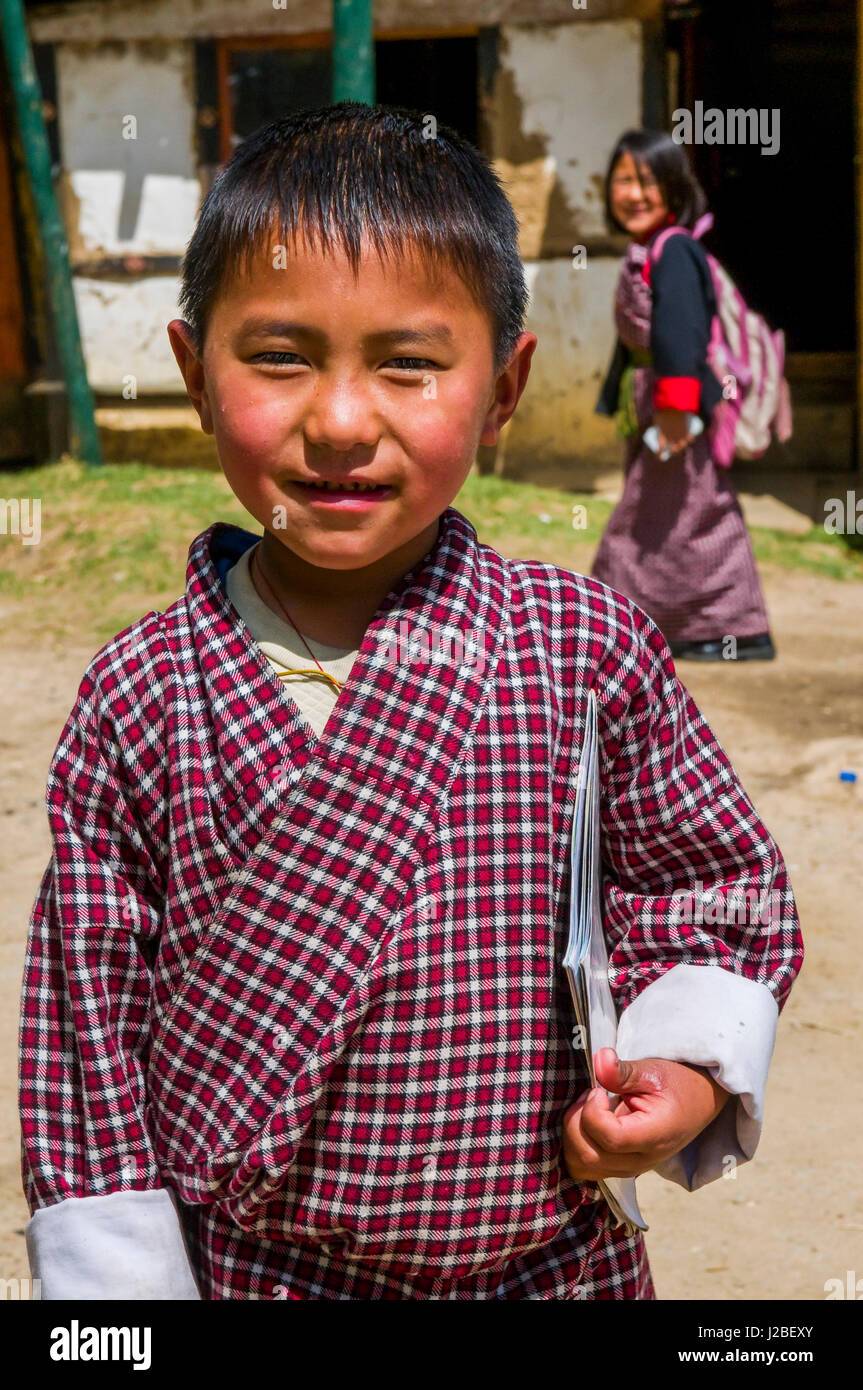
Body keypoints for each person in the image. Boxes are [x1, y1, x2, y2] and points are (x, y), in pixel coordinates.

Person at [18, 103, 802, 1301]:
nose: (338, 421)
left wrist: (684, 1074)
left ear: (502, 389)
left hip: (542, 1271)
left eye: (408, 362)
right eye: (278, 357)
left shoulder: (581, 644)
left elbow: (707, 889)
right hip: (247, 1280)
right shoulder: (138, 694)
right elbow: (85, 1043)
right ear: (191, 370)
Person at [593, 129, 776, 662]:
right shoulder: (652, 250)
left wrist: (675, 412)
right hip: (663, 406)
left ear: (674, 188)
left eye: (647, 181)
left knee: (659, 520)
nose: (633, 193)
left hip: (678, 410)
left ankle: (630, 626)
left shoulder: (675, 252)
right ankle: (706, 627)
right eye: (623, 180)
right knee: (685, 513)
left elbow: (679, 336)